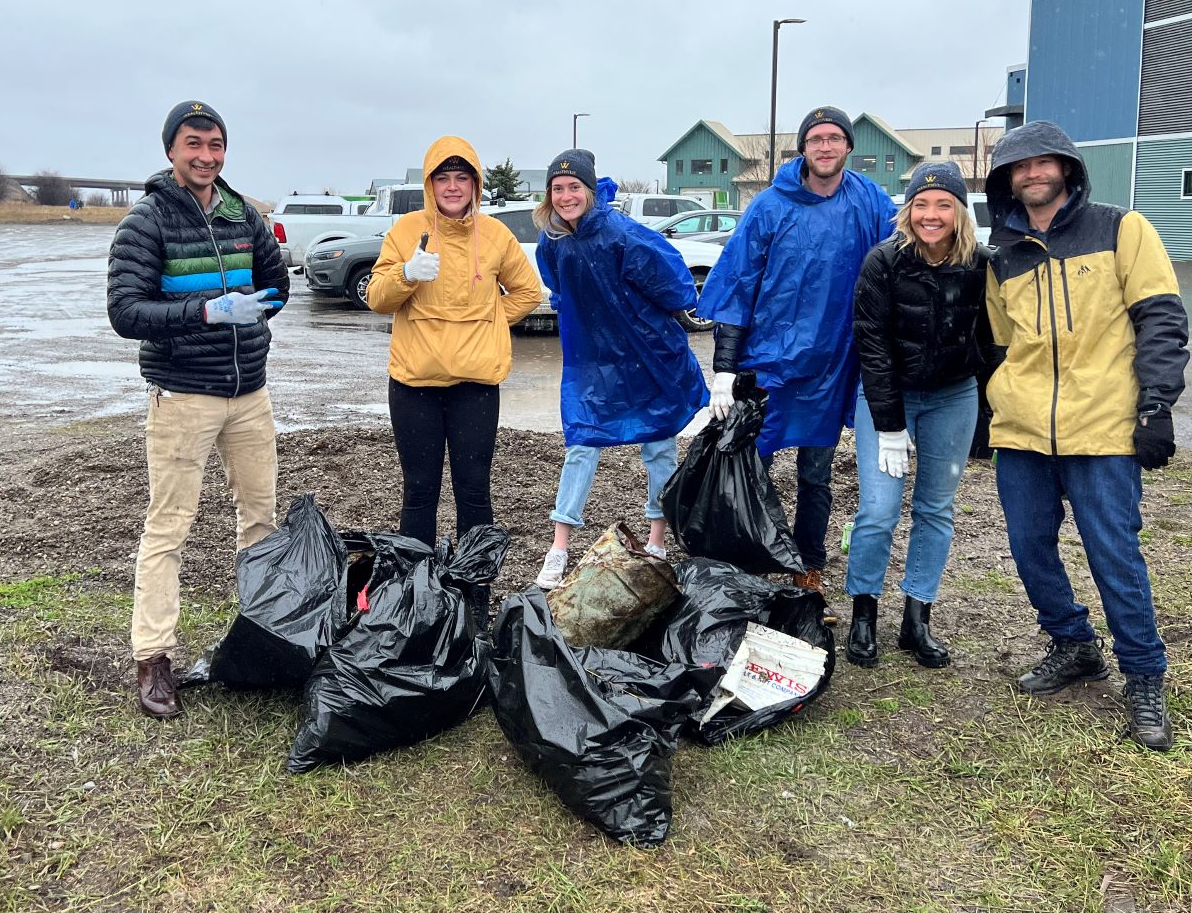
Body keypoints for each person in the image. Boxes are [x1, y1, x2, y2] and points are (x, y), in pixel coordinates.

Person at [983, 120, 1189, 751]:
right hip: (1021, 432)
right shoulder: (1004, 256)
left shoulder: (1122, 229)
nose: (1032, 174)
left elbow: (1161, 318)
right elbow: (998, 348)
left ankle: (1144, 675)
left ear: (1067, 169)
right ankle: (1073, 643)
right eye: (1019, 167)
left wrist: (1156, 406)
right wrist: (987, 417)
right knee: (1029, 548)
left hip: (1102, 426)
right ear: (1006, 181)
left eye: (1044, 163)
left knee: (1114, 554)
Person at [107, 100, 290, 719]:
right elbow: (126, 314)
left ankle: (260, 640)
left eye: (215, 145)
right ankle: (153, 657)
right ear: (171, 151)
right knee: (170, 525)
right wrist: (207, 311)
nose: (206, 156)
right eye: (194, 144)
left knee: (260, 519)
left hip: (250, 393)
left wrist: (259, 309)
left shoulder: (246, 217)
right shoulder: (146, 221)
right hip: (183, 395)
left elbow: (279, 284)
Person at [698, 106, 896, 600]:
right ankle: (745, 561)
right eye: (816, 138)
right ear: (803, 148)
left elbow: (901, 263)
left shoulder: (869, 201)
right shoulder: (769, 207)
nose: (825, 147)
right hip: (768, 367)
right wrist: (724, 367)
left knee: (816, 476)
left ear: (849, 147)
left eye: (835, 138)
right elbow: (739, 283)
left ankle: (808, 566)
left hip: (832, 367)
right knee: (750, 472)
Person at [531, 151, 708, 589]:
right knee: (581, 444)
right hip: (594, 363)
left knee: (658, 448)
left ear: (590, 191)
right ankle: (559, 547)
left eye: (574, 187)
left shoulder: (623, 235)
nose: (566, 195)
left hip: (649, 356)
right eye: (558, 188)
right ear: (549, 195)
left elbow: (677, 288)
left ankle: (658, 541)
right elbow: (558, 288)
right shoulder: (551, 242)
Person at [844, 162, 992, 670]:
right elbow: (873, 348)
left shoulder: (980, 265)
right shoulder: (883, 263)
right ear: (908, 210)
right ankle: (864, 612)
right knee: (879, 510)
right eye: (921, 205)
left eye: (943, 204)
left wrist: (989, 416)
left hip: (954, 397)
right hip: (889, 396)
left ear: (959, 212)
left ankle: (916, 617)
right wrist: (888, 426)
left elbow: (992, 342)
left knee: (935, 509)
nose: (932, 215)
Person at [366, 136, 543, 545]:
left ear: (475, 184)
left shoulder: (495, 234)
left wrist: (490, 324)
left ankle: (473, 590)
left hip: (476, 385)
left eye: (462, 178)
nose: (452, 187)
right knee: (420, 491)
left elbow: (528, 292)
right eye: (442, 177)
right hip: (415, 383)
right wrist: (406, 274)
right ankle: (417, 588)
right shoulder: (407, 230)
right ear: (430, 183)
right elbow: (377, 298)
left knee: (475, 490)